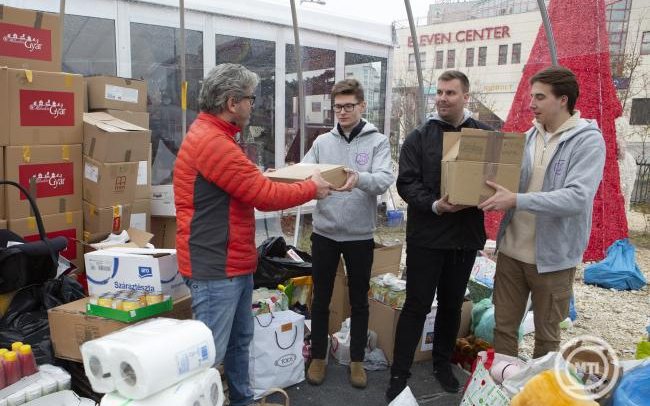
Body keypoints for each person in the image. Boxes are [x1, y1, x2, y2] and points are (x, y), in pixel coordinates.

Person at [173, 63, 332, 406]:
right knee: (208, 359)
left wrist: (269, 177)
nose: (253, 105)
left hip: (228, 262)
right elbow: (263, 196)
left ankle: (242, 400)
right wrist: (311, 188)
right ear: (232, 102)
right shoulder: (214, 143)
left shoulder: (214, 137)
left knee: (239, 342)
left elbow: (247, 185)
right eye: (250, 98)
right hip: (216, 267)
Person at [479, 66, 606, 359]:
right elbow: (506, 184)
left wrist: (517, 200)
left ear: (563, 100)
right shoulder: (526, 138)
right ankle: (503, 387)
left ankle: (537, 392)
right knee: (504, 328)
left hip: (553, 259)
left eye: (539, 97)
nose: (531, 104)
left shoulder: (587, 140)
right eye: (531, 96)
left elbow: (577, 197)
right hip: (511, 251)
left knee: (547, 336)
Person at [386, 70, 493, 401]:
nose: (444, 98)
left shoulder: (486, 136)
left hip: (464, 238)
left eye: (451, 93)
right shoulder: (419, 136)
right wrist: (435, 204)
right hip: (427, 237)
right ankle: (399, 374)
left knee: (451, 306)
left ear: (466, 97)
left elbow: (495, 177)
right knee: (416, 305)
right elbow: (406, 183)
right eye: (440, 93)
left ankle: (442, 364)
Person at [303, 79, 395, 389]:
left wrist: (360, 179)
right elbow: (306, 172)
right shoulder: (322, 142)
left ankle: (356, 360)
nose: (342, 112)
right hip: (325, 232)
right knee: (321, 298)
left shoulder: (378, 141)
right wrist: (290, 176)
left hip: (359, 235)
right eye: (337, 107)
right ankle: (318, 356)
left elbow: (384, 179)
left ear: (362, 106)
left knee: (359, 300)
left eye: (348, 106)